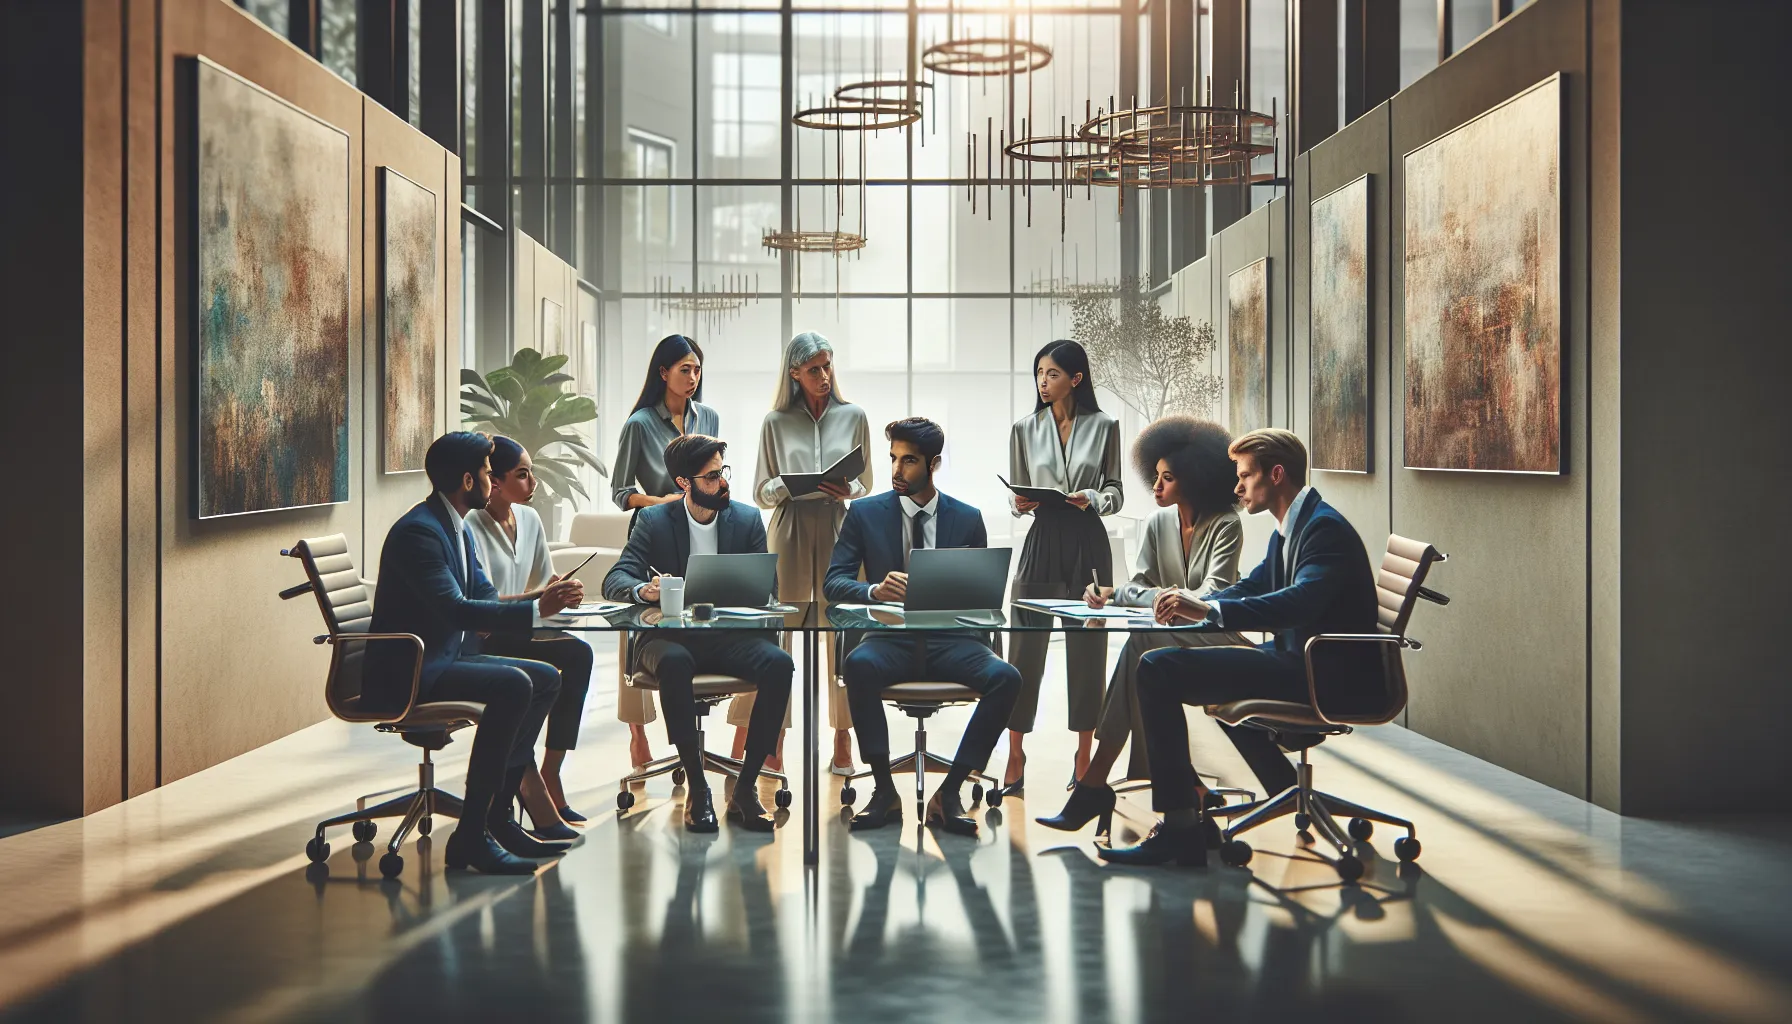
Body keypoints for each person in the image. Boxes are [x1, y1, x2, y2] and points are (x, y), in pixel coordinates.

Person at [1098, 429, 1380, 868]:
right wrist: (1203, 604)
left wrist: (1211, 614)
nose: (1237, 487)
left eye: (1246, 476)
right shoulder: (1293, 528)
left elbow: (1298, 603)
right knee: (1166, 665)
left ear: (1277, 474)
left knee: (1157, 670)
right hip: (1301, 665)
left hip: (1322, 676)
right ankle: (1274, 787)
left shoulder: (1323, 531)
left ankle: (1179, 829)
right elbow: (1252, 586)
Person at [367, 432, 586, 875]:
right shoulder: (421, 533)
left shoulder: (454, 524)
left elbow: (485, 599)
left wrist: (542, 599)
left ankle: (499, 817)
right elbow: (456, 610)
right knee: (514, 685)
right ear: (469, 480)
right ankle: (473, 833)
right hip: (414, 670)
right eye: (488, 473)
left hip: (447, 657)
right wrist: (535, 610)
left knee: (546, 677)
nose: (492, 479)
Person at [1036, 416, 1249, 833]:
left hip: (1219, 639)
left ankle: (1097, 784)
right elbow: (1138, 587)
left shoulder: (1226, 524)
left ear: (1193, 481)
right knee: (1144, 647)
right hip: (1169, 635)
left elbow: (1213, 596)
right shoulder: (1157, 523)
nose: (1156, 486)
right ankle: (1173, 784)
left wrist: (1156, 598)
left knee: (1141, 642)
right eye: (1155, 476)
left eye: (1167, 479)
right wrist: (1133, 595)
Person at [826, 417, 1022, 837]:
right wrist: (875, 590)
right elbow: (833, 582)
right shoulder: (863, 513)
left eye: (909, 461)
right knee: (858, 665)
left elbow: (983, 596)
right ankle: (883, 790)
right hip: (888, 639)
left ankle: (948, 793)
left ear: (933, 464)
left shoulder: (967, 519)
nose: (897, 471)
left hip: (951, 641)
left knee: (1006, 678)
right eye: (893, 459)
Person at [602, 434, 793, 833]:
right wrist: (643, 590)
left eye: (723, 472)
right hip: (670, 639)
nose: (723, 483)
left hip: (731, 639)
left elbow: (768, 588)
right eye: (711, 477)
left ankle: (746, 785)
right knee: (673, 662)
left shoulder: (745, 518)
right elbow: (615, 578)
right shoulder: (653, 521)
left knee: (780, 665)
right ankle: (698, 785)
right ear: (684, 483)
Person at [741, 332, 873, 777]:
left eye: (827, 366)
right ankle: (772, 739)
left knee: (843, 641)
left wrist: (846, 488)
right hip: (789, 530)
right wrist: (787, 484)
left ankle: (843, 737)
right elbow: (760, 492)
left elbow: (866, 483)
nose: (823, 376)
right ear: (794, 372)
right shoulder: (774, 422)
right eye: (813, 369)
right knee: (778, 640)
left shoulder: (854, 416)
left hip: (839, 528)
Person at [1002, 340, 1125, 796]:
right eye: (1038, 373)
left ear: (1075, 378)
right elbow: (1016, 499)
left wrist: (1092, 498)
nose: (1042, 382)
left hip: (1089, 540)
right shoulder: (1023, 429)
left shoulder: (1105, 426)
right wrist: (1018, 503)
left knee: (1088, 648)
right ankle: (1015, 753)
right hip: (1042, 538)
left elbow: (1115, 491)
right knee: (1023, 649)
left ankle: (1084, 754)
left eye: (1051, 374)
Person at [466, 435, 597, 839]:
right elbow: (479, 604)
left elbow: (543, 583)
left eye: (532, 472)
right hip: (486, 637)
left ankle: (549, 771)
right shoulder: (471, 526)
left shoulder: (530, 520)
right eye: (522, 474)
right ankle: (525, 776)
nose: (534, 482)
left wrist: (562, 592)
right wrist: (543, 599)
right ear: (496, 481)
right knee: (557, 667)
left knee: (579, 654)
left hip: (522, 628)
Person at [609, 335, 720, 768]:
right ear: (663, 373)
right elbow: (620, 493)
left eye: (697, 369)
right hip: (653, 532)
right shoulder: (639, 423)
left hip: (700, 530)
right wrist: (665, 502)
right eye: (684, 369)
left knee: (698, 620)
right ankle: (637, 733)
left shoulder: (707, 416)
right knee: (641, 624)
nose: (692, 378)